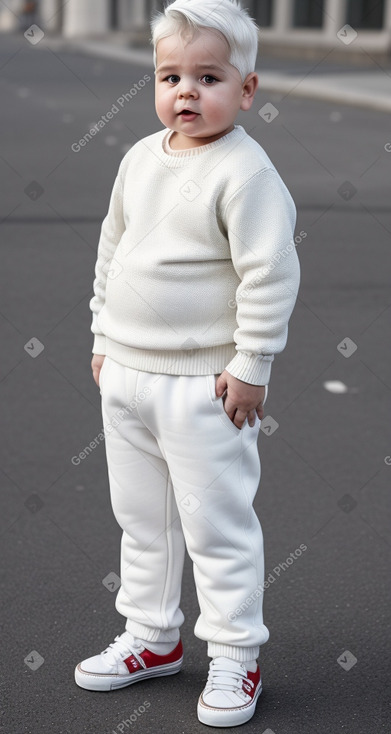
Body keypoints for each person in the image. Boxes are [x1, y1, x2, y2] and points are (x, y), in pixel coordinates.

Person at [74, 0, 300, 727]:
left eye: (207, 76)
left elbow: (269, 274)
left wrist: (252, 363)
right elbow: (113, 248)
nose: (185, 92)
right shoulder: (140, 158)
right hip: (129, 376)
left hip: (204, 384)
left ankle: (236, 653)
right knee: (143, 520)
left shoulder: (247, 171)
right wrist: (103, 337)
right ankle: (151, 638)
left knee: (215, 525)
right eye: (170, 76)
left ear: (247, 89)